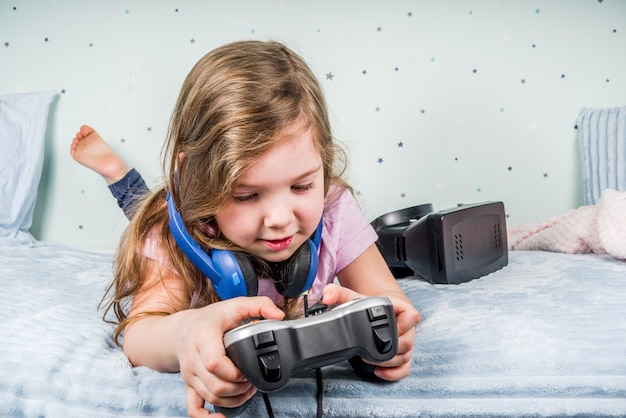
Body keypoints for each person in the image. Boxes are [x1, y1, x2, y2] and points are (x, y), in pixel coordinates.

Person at [71, 40, 420, 418]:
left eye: (301, 186)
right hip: (176, 212)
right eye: (247, 195)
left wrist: (390, 332)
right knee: (142, 204)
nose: (279, 219)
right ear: (198, 180)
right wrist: (186, 332)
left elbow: (390, 299)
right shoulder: (172, 229)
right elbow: (139, 337)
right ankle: (117, 174)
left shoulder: (334, 206)